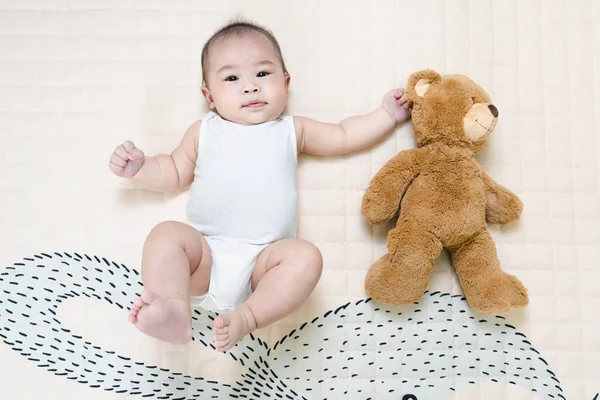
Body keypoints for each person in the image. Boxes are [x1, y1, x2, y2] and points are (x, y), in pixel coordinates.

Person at [108, 19, 412, 352]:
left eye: (263, 74)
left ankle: (247, 318)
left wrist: (386, 115)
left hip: (265, 266)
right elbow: (172, 170)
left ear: (286, 82)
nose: (250, 87)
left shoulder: (291, 130)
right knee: (165, 235)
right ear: (209, 96)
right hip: (205, 255)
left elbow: (343, 135)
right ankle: (174, 310)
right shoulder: (204, 131)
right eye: (232, 78)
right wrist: (140, 168)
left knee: (306, 257)